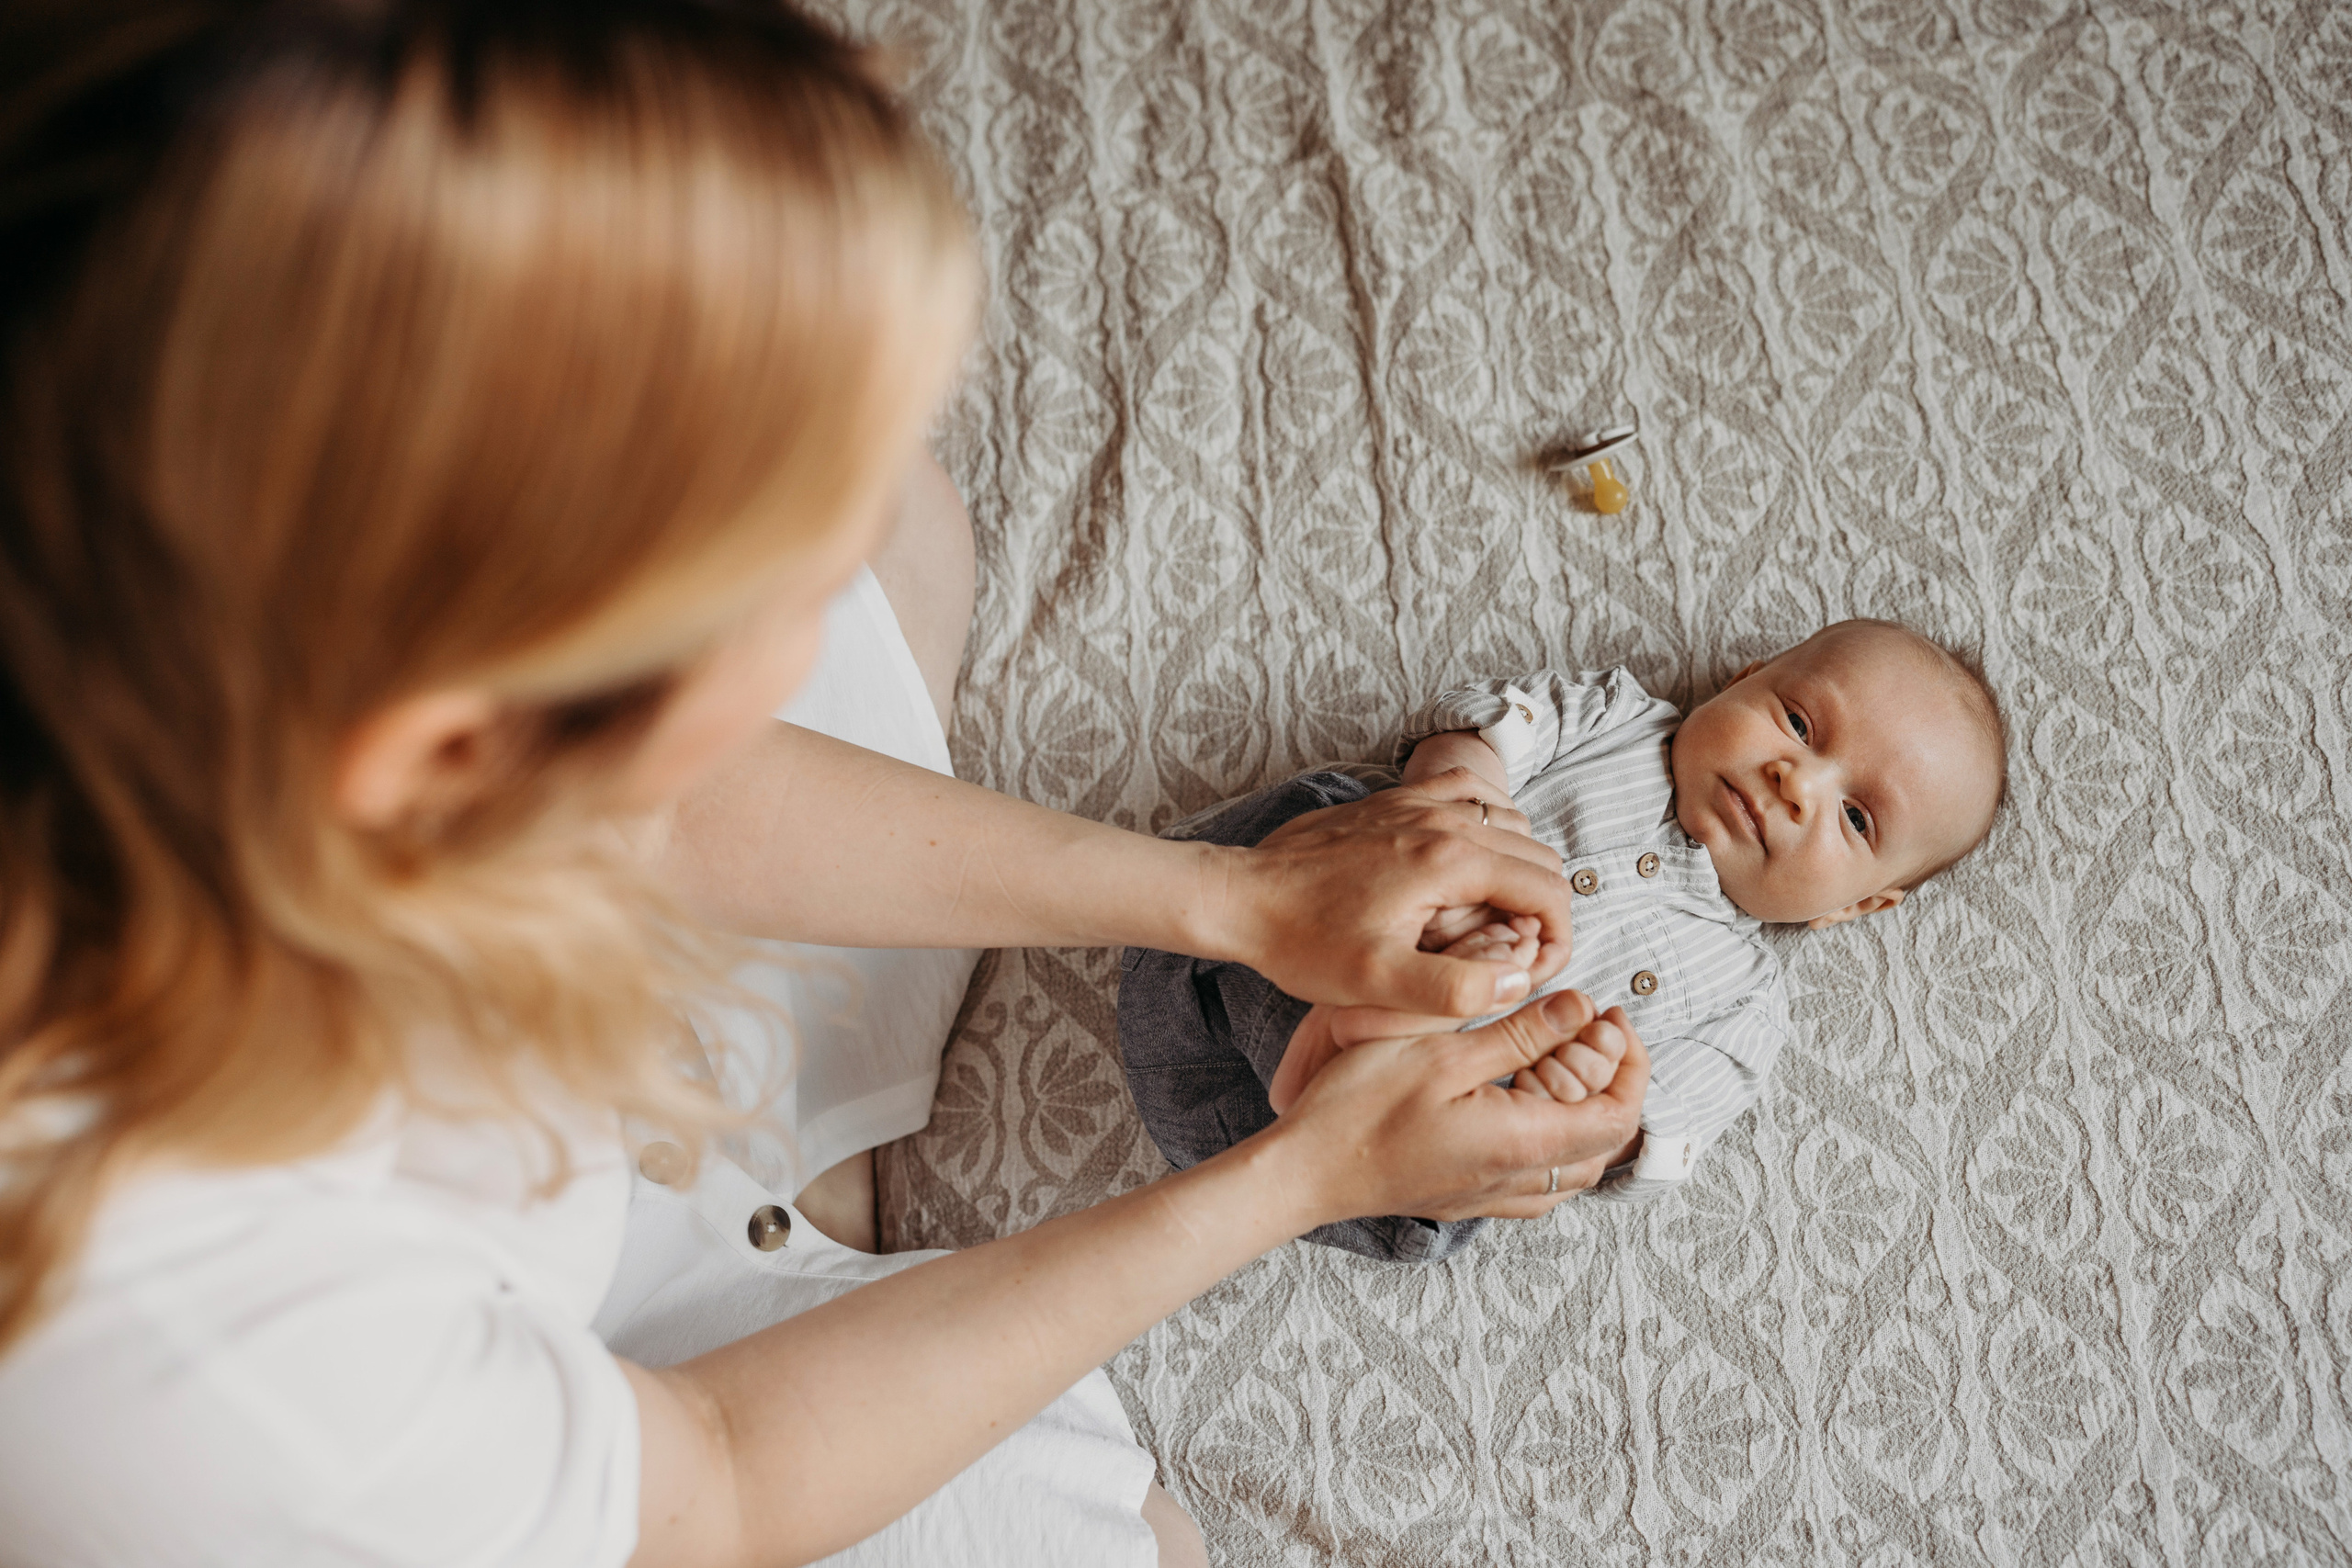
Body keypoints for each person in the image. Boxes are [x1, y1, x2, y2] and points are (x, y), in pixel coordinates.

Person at [0, 5, 1650, 1565]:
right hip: (563, 1441)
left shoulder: (208, 638)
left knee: (908, 528)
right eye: (753, 606)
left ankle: (785, 1172)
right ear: (449, 753)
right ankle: (796, 1194)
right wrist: (1308, 1172)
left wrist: (1236, 894)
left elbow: (673, 806)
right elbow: (717, 1471)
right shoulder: (201, 1359)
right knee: (1109, 1531)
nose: (801, 616)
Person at [1118, 620, 2006, 1259]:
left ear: (1857, 906)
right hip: (1231, 944)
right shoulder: (1621, 718)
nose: (1796, 780)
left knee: (1490, 1172)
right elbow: (1472, 733)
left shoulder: (1746, 1008)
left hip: (1311, 1134)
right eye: (1801, 724)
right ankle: (1344, 1012)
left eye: (1854, 817)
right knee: (1345, 809)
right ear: (1749, 673)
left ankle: (1368, 1076)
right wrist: (1465, 811)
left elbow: (1637, 1133)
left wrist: (1585, 1107)